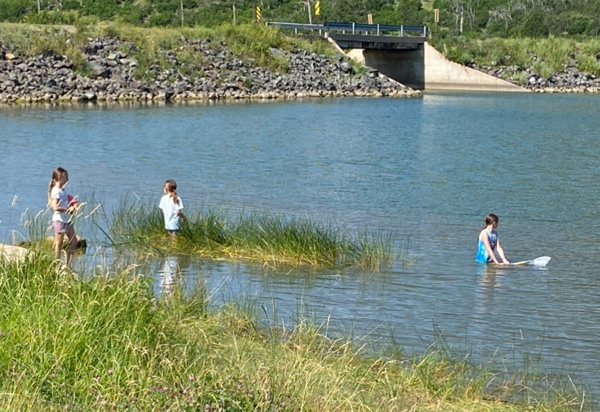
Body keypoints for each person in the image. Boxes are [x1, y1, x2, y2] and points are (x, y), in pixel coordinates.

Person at [48, 167, 79, 267]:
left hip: (67, 220)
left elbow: (67, 199)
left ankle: (67, 265)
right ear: (60, 178)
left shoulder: (63, 190)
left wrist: (73, 205)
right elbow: (55, 207)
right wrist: (67, 210)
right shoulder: (56, 191)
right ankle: (56, 265)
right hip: (59, 220)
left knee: (74, 242)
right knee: (59, 244)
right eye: (66, 177)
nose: (68, 179)